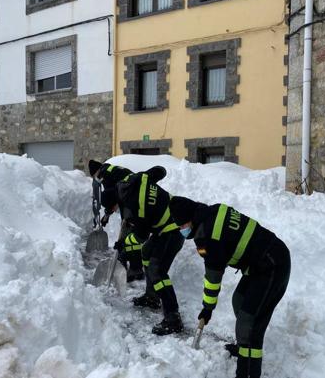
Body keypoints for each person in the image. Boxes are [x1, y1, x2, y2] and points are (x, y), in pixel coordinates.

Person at [169, 196, 291, 378]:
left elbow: (213, 276)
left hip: (272, 265)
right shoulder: (211, 211)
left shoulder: (208, 237)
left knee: (249, 324)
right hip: (258, 265)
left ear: (191, 220)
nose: (181, 230)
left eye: (182, 226)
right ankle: (244, 347)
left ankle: (247, 371)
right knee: (239, 301)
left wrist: (207, 308)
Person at [101, 166, 185, 335]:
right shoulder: (130, 181)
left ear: (117, 202)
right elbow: (160, 170)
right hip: (164, 225)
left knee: (157, 270)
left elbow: (140, 237)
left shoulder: (135, 209)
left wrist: (124, 244)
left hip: (174, 229)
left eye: (114, 209)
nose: (116, 212)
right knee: (146, 253)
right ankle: (152, 297)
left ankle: (173, 317)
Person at [88, 160, 144, 281]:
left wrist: (108, 212)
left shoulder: (105, 175)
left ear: (96, 172)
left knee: (129, 229)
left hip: (133, 198)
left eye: (94, 176)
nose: (95, 179)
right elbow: (114, 197)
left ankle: (130, 265)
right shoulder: (110, 170)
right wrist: (107, 215)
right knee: (129, 229)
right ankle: (132, 265)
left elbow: (114, 198)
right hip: (136, 194)